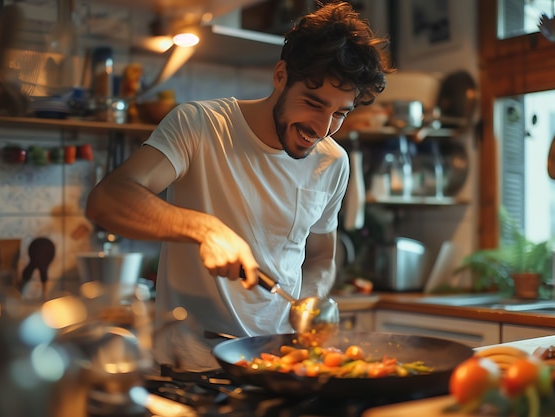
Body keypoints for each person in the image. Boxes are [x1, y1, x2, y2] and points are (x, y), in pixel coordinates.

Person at [86, 1, 393, 370]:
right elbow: (108, 200)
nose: (322, 128)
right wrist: (205, 229)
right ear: (281, 75)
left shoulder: (333, 162)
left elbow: (321, 256)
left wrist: (308, 304)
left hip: (278, 362)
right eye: (313, 103)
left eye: (340, 113)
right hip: (191, 364)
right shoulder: (201, 125)